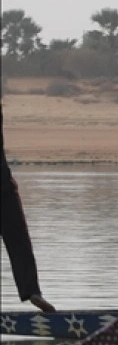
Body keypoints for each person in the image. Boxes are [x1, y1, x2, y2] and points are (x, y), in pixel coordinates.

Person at [1, 105, 56, 312]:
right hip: (5, 186)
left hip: (4, 187)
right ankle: (32, 292)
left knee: (20, 243)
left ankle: (33, 293)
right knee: (20, 243)